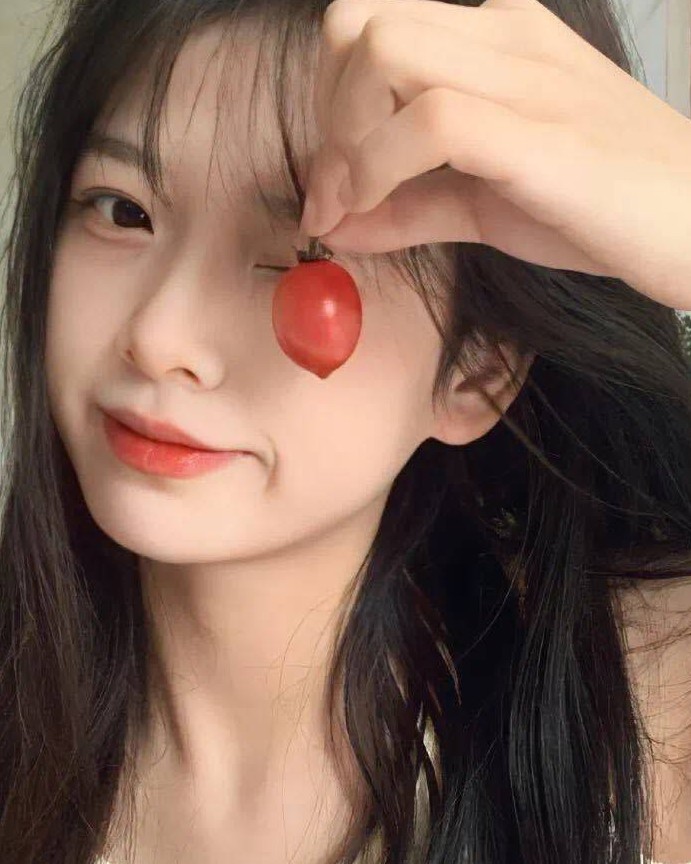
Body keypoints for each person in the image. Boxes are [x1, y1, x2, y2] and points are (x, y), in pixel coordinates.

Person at [0, 0, 689, 861]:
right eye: (122, 210)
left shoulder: (646, 704)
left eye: (299, 255)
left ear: (475, 372)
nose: (159, 336)